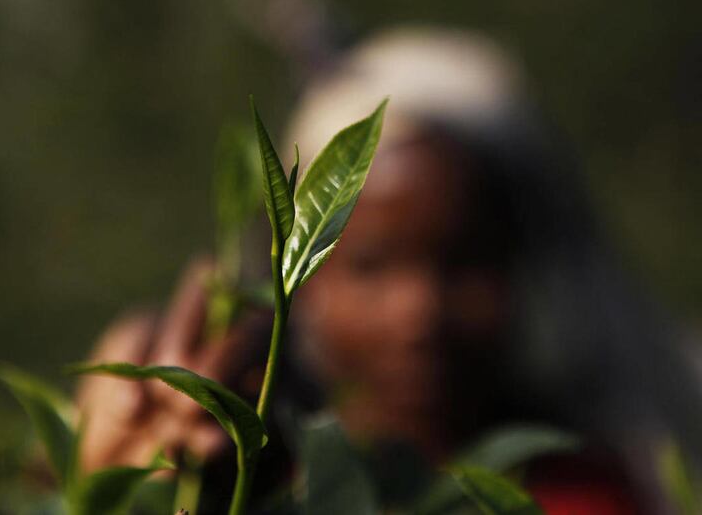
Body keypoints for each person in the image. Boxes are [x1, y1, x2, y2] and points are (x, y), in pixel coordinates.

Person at [77, 28, 698, 514]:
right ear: (302, 273)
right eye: (371, 266)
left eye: (465, 262)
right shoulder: (250, 482)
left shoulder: (582, 494)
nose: (419, 313)